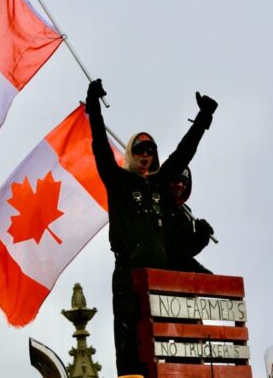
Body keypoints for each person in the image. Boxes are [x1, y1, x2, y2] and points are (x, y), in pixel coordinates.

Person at [85, 79, 217, 377]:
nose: (146, 155)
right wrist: (93, 106)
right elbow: (100, 149)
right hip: (129, 274)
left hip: (160, 276)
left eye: (151, 150)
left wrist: (203, 118)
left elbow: (184, 154)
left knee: (165, 345)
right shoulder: (119, 181)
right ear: (132, 152)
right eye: (141, 149)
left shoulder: (158, 184)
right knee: (133, 349)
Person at [165, 167, 214, 274]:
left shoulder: (185, 211)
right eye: (176, 180)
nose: (180, 185)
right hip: (158, 267)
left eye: (184, 181)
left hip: (178, 273)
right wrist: (195, 268)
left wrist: (201, 237)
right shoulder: (157, 206)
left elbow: (188, 250)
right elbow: (169, 245)